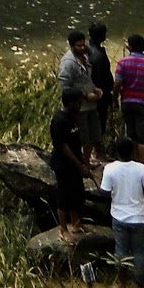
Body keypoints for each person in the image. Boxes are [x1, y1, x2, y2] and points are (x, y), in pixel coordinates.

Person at [100, 135, 144, 286]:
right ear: (132, 152)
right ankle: (141, 284)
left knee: (121, 250)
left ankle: (121, 283)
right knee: (139, 252)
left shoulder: (109, 169)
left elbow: (104, 191)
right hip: (138, 217)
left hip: (119, 216)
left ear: (117, 152)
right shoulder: (141, 169)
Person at [50, 90, 94, 239]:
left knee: (77, 193)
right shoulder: (59, 120)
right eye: (78, 103)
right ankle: (63, 230)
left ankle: (76, 223)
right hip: (63, 164)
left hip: (75, 162)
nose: (80, 106)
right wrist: (79, 165)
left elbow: (75, 142)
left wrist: (83, 160)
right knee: (64, 196)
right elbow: (63, 147)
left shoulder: (72, 117)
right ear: (69, 103)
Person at [58, 29, 103, 166]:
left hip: (91, 104)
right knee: (83, 137)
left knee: (93, 135)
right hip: (79, 107)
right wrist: (84, 95)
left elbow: (86, 79)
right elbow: (65, 87)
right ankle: (82, 164)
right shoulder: (68, 63)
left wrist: (95, 89)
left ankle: (87, 162)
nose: (83, 48)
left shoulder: (84, 57)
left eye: (84, 45)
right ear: (71, 45)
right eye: (79, 46)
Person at [116, 34, 144, 165]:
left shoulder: (122, 63)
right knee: (143, 137)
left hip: (126, 102)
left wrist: (115, 98)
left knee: (130, 134)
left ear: (129, 47)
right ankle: (142, 166)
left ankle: (130, 163)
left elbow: (118, 83)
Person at [87, 22, 115, 142]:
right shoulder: (98, 55)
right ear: (103, 36)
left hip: (90, 92)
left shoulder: (86, 50)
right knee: (99, 125)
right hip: (100, 94)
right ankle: (97, 151)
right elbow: (103, 77)